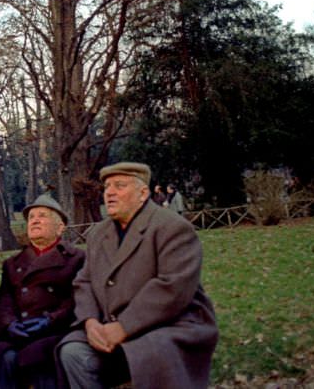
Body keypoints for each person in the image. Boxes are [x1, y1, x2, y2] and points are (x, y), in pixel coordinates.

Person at [57, 162, 218, 389]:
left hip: (169, 325)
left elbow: (172, 287)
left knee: (153, 352)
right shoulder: (98, 234)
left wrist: (123, 327)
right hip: (107, 326)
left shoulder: (172, 227)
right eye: (107, 187)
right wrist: (90, 322)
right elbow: (84, 281)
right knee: (73, 352)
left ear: (143, 193)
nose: (110, 193)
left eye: (120, 186)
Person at [0, 194, 85, 389]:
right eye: (31, 217)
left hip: (57, 330)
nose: (34, 220)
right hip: (21, 331)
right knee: (5, 356)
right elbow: (5, 299)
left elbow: (77, 298)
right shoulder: (13, 263)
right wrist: (8, 324)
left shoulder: (75, 258)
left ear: (60, 227)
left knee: (38, 358)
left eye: (42, 216)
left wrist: (50, 319)